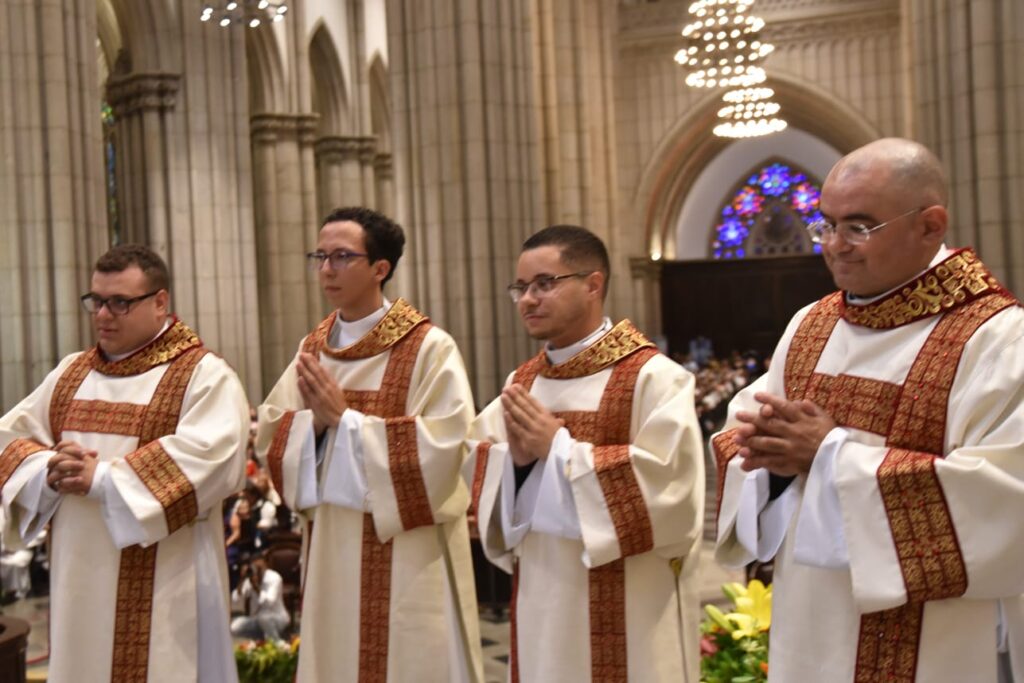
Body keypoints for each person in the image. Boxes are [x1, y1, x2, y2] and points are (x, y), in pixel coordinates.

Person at [713, 138, 1024, 682]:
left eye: (859, 227)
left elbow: (1004, 501)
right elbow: (743, 435)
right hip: (807, 626)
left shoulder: (997, 339)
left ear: (930, 225)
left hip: (933, 643)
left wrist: (829, 454)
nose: (835, 245)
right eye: (825, 224)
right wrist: (771, 462)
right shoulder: (810, 325)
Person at [0, 244, 249, 682]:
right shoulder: (70, 374)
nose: (102, 315)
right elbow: (10, 437)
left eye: (119, 302)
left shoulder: (202, 375)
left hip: (169, 588)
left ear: (159, 302)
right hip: (78, 583)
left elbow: (215, 459)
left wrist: (102, 479)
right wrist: (47, 470)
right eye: (96, 301)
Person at [467, 225, 705, 681]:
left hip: (631, 612)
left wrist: (556, 449)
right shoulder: (523, 384)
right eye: (520, 287)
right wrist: (514, 465)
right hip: (541, 599)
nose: (527, 299)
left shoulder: (655, 378)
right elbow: (480, 475)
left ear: (593, 284)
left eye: (544, 284)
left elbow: (673, 500)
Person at [256, 207, 483, 682]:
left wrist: (345, 422)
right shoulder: (312, 348)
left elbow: (446, 452)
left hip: (409, 560)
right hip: (331, 553)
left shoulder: (428, 348)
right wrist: (315, 430)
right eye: (319, 256)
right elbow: (272, 439)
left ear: (380, 268)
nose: (326, 269)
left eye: (341, 256)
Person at [231, 554, 290, 641]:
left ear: (265, 565)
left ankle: (276, 643)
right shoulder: (250, 579)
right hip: (257, 620)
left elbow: (270, 602)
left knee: (264, 618)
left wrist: (256, 588)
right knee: (235, 627)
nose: (257, 570)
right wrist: (242, 579)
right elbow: (236, 599)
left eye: (259, 567)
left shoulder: (274, 578)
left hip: (277, 618)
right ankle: (261, 640)